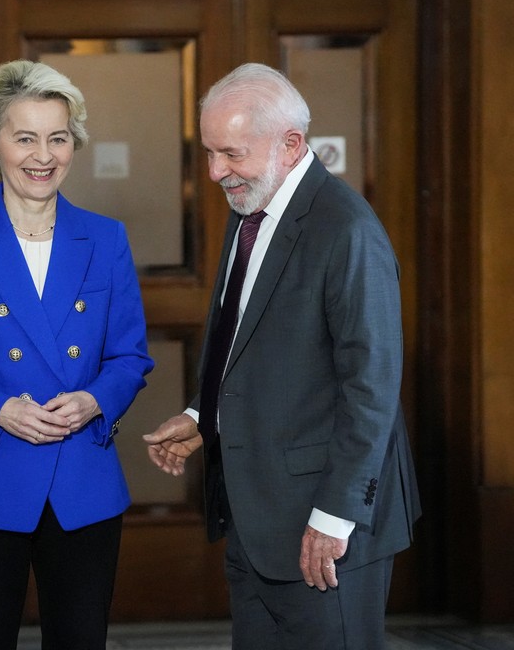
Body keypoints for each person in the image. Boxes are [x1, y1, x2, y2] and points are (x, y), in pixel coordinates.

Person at [143, 63, 421, 649]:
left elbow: (371, 388)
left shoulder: (347, 229)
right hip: (257, 520)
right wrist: (203, 416)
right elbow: (248, 341)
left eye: (231, 154)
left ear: (291, 144)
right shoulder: (252, 206)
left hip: (325, 527)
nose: (216, 171)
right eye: (209, 152)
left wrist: (333, 518)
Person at [0, 60, 153, 650]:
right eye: (25, 138)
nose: (43, 156)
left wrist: (94, 400)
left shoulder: (106, 238)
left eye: (58, 138)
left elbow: (129, 357)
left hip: (82, 482)